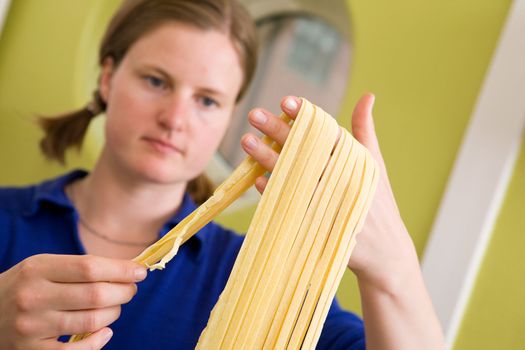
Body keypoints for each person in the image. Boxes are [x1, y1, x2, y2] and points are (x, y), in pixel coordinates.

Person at [0, 0, 444, 349]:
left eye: (207, 100)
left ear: (230, 116)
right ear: (107, 77)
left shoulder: (259, 276)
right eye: (156, 81)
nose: (175, 118)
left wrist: (393, 269)